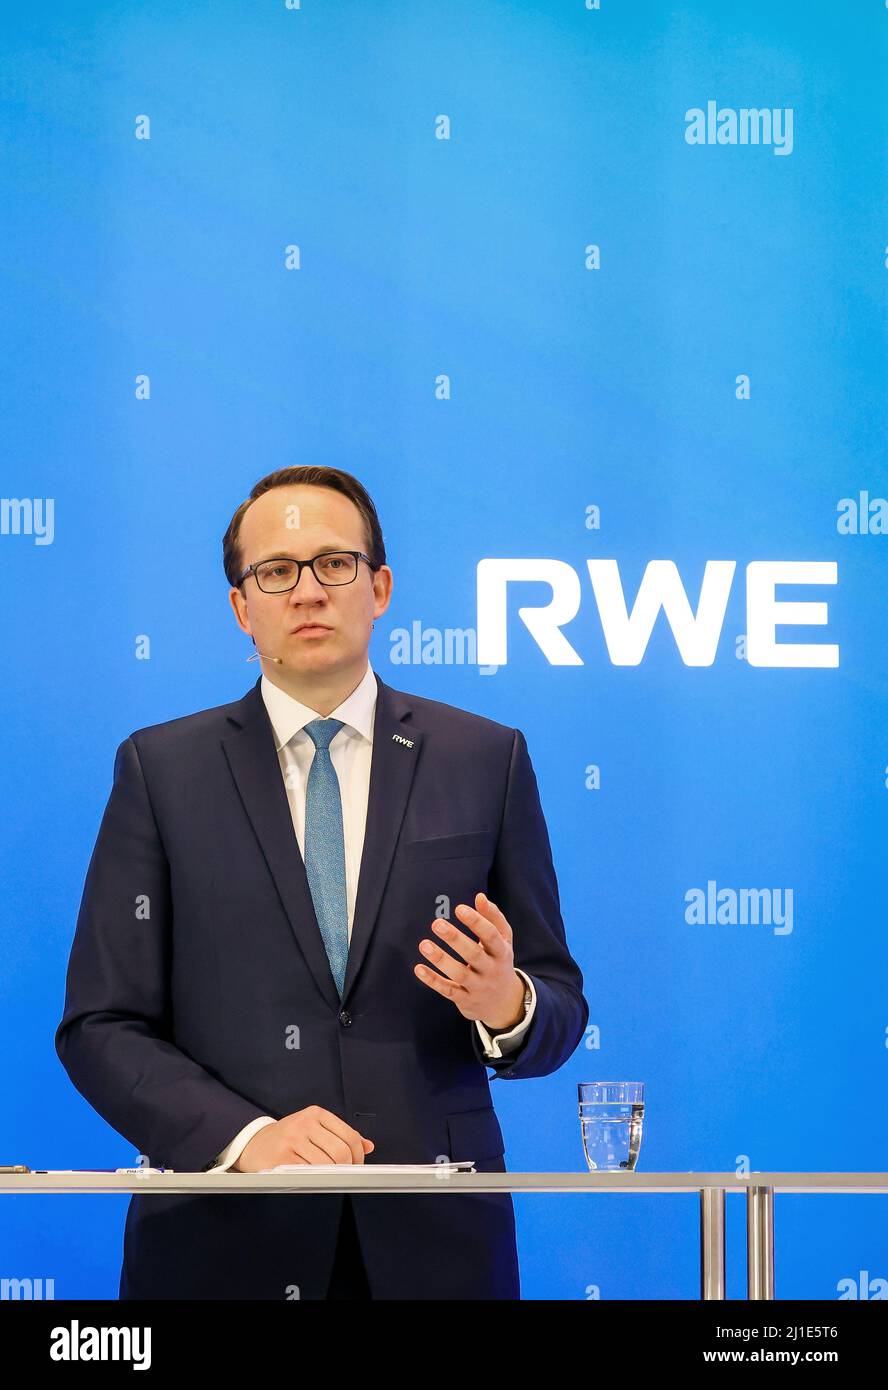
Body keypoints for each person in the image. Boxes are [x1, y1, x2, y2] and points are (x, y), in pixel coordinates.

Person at [55, 465, 588, 1300]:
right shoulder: (161, 771)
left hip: (438, 1247)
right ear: (241, 606)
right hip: (221, 1240)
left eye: (334, 564)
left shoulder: (486, 758)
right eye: (276, 571)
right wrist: (244, 1137)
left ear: (380, 588)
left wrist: (507, 1005)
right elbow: (100, 1024)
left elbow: (559, 1006)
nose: (307, 592)